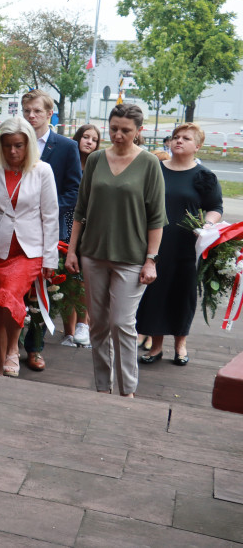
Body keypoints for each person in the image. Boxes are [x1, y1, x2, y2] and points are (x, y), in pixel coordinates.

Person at [66, 104, 165, 398]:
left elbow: (157, 217)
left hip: (132, 257)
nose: (118, 135)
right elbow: (80, 210)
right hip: (93, 253)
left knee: (122, 323)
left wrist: (151, 260)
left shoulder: (149, 163)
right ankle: (102, 386)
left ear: (139, 131)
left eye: (125, 130)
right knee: (97, 325)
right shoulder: (96, 159)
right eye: (113, 129)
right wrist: (72, 251)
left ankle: (127, 390)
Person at [0, 117, 59, 377]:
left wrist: (50, 259)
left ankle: (11, 354)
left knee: (10, 298)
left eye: (18, 145)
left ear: (28, 145)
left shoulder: (42, 171)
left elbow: (50, 217)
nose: (13, 151)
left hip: (30, 252)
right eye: (7, 146)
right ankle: (3, 354)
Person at [136, 123, 222, 367]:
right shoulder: (155, 169)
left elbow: (215, 207)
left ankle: (180, 345)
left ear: (198, 146)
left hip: (186, 246)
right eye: (175, 137)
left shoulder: (203, 176)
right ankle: (156, 346)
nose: (179, 141)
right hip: (155, 244)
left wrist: (207, 225)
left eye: (186, 138)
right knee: (155, 293)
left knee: (182, 295)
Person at [19, 90, 82, 372]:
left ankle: (34, 348)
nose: (31, 116)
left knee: (41, 290)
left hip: (48, 229)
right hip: (14, 229)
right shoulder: (13, 141)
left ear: (49, 114)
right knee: (12, 288)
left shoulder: (66, 147)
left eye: (37, 111)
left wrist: (48, 207)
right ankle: (8, 346)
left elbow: (75, 189)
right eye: (27, 111)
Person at [59, 124, 101, 348]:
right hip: (65, 220)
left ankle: (83, 326)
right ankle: (68, 331)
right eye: (85, 137)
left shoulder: (98, 168)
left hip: (88, 226)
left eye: (94, 140)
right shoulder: (68, 162)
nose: (89, 142)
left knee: (84, 279)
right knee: (67, 277)